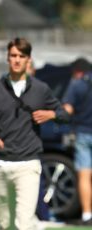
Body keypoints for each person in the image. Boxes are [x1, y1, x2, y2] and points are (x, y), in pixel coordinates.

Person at [0, 38, 70, 230]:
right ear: (7, 58)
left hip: (28, 164)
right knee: (5, 223)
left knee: (24, 223)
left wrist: (51, 114)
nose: (17, 60)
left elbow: (64, 115)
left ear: (28, 59)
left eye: (21, 56)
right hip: (0, 164)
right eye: (13, 56)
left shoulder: (40, 89)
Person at [62, 57, 92, 225]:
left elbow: (67, 109)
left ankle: (87, 215)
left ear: (78, 71)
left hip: (83, 133)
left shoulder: (77, 84)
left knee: (84, 175)